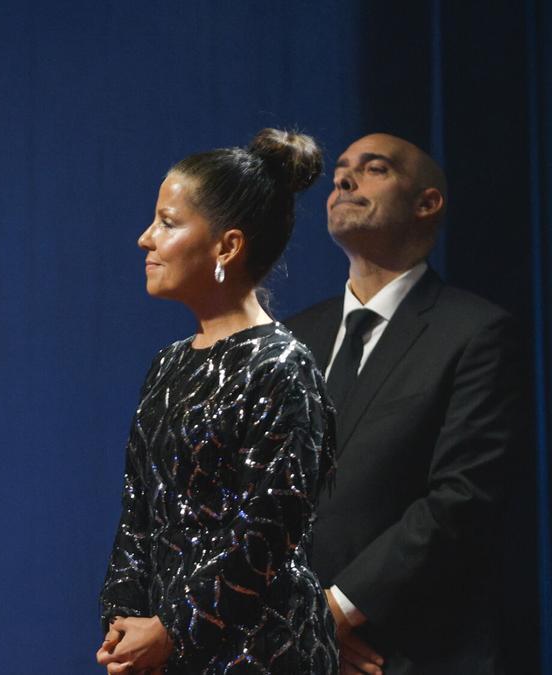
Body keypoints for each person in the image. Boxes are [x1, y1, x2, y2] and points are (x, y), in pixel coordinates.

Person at [97, 129, 339, 674]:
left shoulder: (281, 366)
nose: (145, 238)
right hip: (166, 653)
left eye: (167, 222)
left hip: (261, 653)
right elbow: (139, 513)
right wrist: (123, 621)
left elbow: (268, 532)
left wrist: (172, 629)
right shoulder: (169, 363)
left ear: (227, 246)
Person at [285, 133, 518, 674]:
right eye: (341, 170)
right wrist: (291, 626)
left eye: (374, 169)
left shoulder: (475, 332)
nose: (343, 180)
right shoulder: (291, 338)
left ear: (427, 202)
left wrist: (333, 614)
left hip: (405, 654)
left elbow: (462, 497)